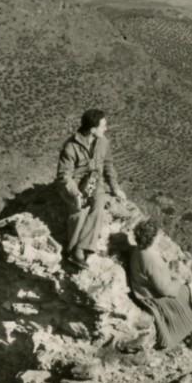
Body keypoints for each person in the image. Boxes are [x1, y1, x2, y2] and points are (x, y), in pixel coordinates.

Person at [56, 109, 126, 267]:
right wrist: (75, 193)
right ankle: (72, 250)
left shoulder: (103, 142)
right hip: (74, 184)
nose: (106, 129)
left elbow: (108, 165)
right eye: (103, 126)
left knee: (98, 205)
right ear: (92, 129)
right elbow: (64, 176)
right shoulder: (70, 147)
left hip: (95, 182)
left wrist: (115, 188)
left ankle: (81, 248)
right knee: (79, 211)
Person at [127, 219, 192, 350]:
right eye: (158, 235)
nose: (160, 237)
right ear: (152, 237)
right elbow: (164, 289)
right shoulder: (150, 258)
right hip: (152, 296)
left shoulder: (141, 251)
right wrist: (180, 282)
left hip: (147, 290)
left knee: (191, 290)